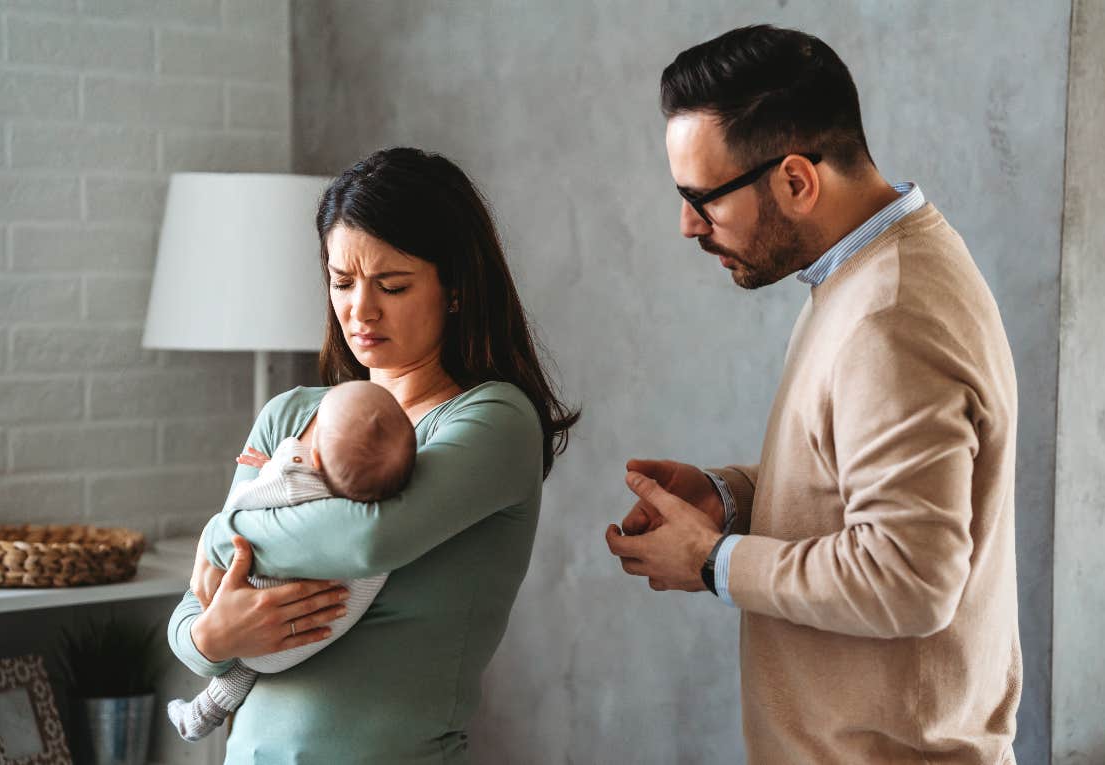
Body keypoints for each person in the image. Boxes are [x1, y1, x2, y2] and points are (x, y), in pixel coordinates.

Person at [604, 25, 1021, 763]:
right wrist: (729, 498)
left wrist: (712, 560)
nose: (686, 225)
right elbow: (861, 484)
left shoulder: (889, 315)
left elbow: (910, 576)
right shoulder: (867, 275)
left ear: (797, 180)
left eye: (702, 198)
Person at [166, 147, 579, 763]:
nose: (361, 309)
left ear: (457, 288)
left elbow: (368, 538)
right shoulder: (288, 415)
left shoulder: (494, 420)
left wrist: (223, 531)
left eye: (392, 285)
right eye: (341, 282)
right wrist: (212, 635)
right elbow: (193, 614)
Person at [167, 380, 415, 741]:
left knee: (243, 660)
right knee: (247, 662)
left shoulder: (296, 479)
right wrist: (209, 637)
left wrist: (274, 466)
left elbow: (239, 510)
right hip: (319, 632)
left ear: (315, 457)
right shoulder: (384, 506)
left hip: (264, 628)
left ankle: (202, 712)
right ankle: (205, 709)